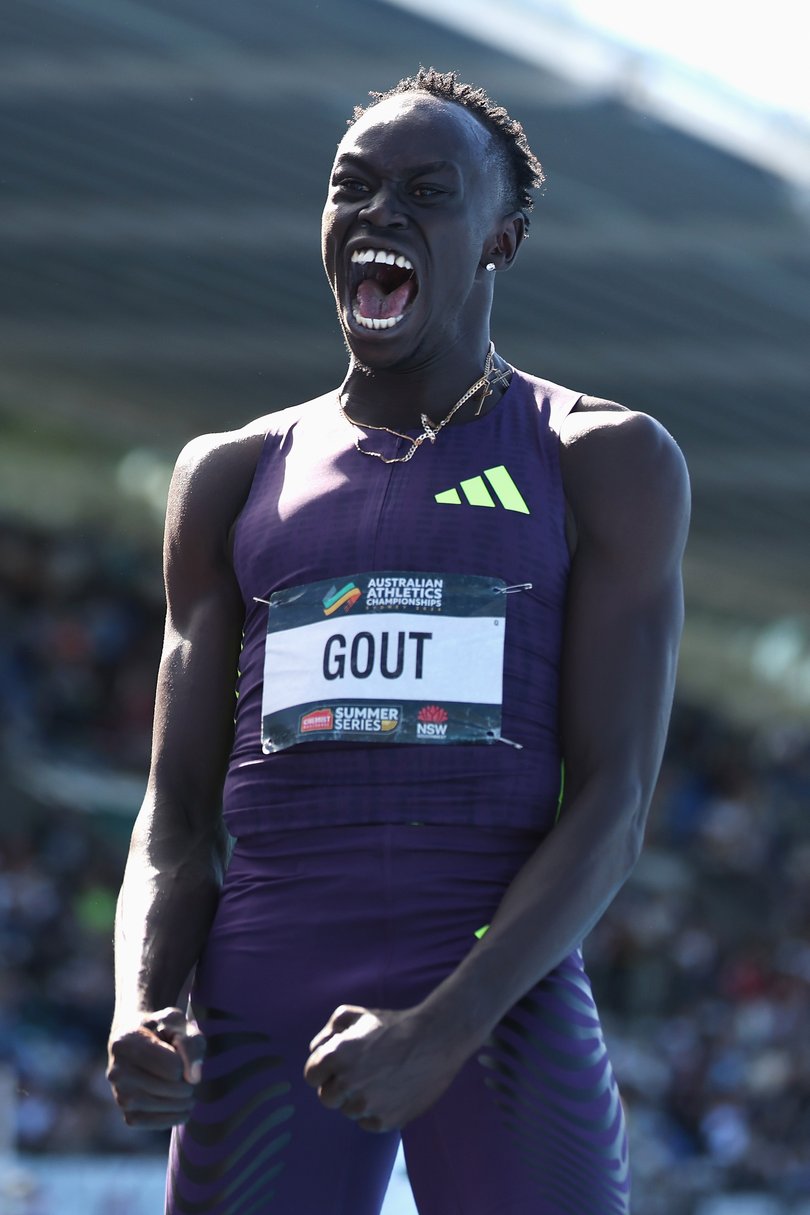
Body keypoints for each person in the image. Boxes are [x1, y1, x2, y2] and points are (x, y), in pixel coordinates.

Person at [107, 68, 690, 1215]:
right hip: (260, 989)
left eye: (427, 192)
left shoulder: (600, 459)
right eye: (352, 188)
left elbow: (615, 804)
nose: (381, 215)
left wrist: (449, 1026)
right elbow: (175, 819)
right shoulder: (228, 476)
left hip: (493, 991)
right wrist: (139, 999)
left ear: (500, 241)